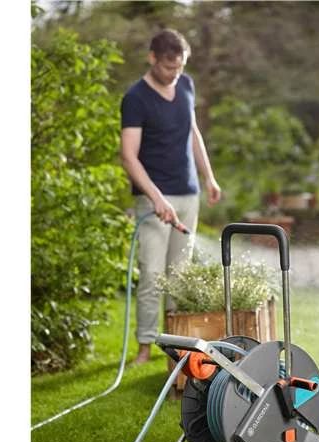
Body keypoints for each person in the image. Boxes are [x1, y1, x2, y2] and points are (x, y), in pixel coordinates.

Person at [120, 29, 222, 364]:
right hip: (153, 199)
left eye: (179, 67)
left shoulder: (186, 85)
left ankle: (175, 347)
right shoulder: (136, 98)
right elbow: (128, 156)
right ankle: (145, 347)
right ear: (152, 58)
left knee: (178, 276)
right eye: (168, 67)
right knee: (152, 275)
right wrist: (156, 198)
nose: (174, 74)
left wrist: (208, 177)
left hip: (188, 194)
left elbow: (192, 132)